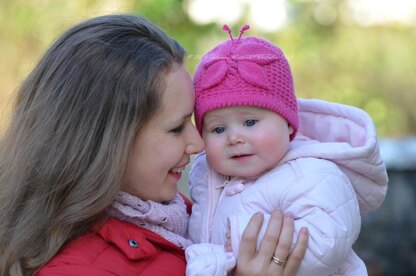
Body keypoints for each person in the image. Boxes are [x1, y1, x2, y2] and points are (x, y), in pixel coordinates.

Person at [0, 14, 309, 276]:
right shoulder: (79, 269)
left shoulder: (181, 217)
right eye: (176, 128)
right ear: (107, 142)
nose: (197, 142)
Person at [185, 25, 388, 275]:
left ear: (288, 121)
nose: (234, 137)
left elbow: (327, 241)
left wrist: (240, 243)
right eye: (218, 129)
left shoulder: (313, 173)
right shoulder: (206, 178)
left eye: (250, 122)